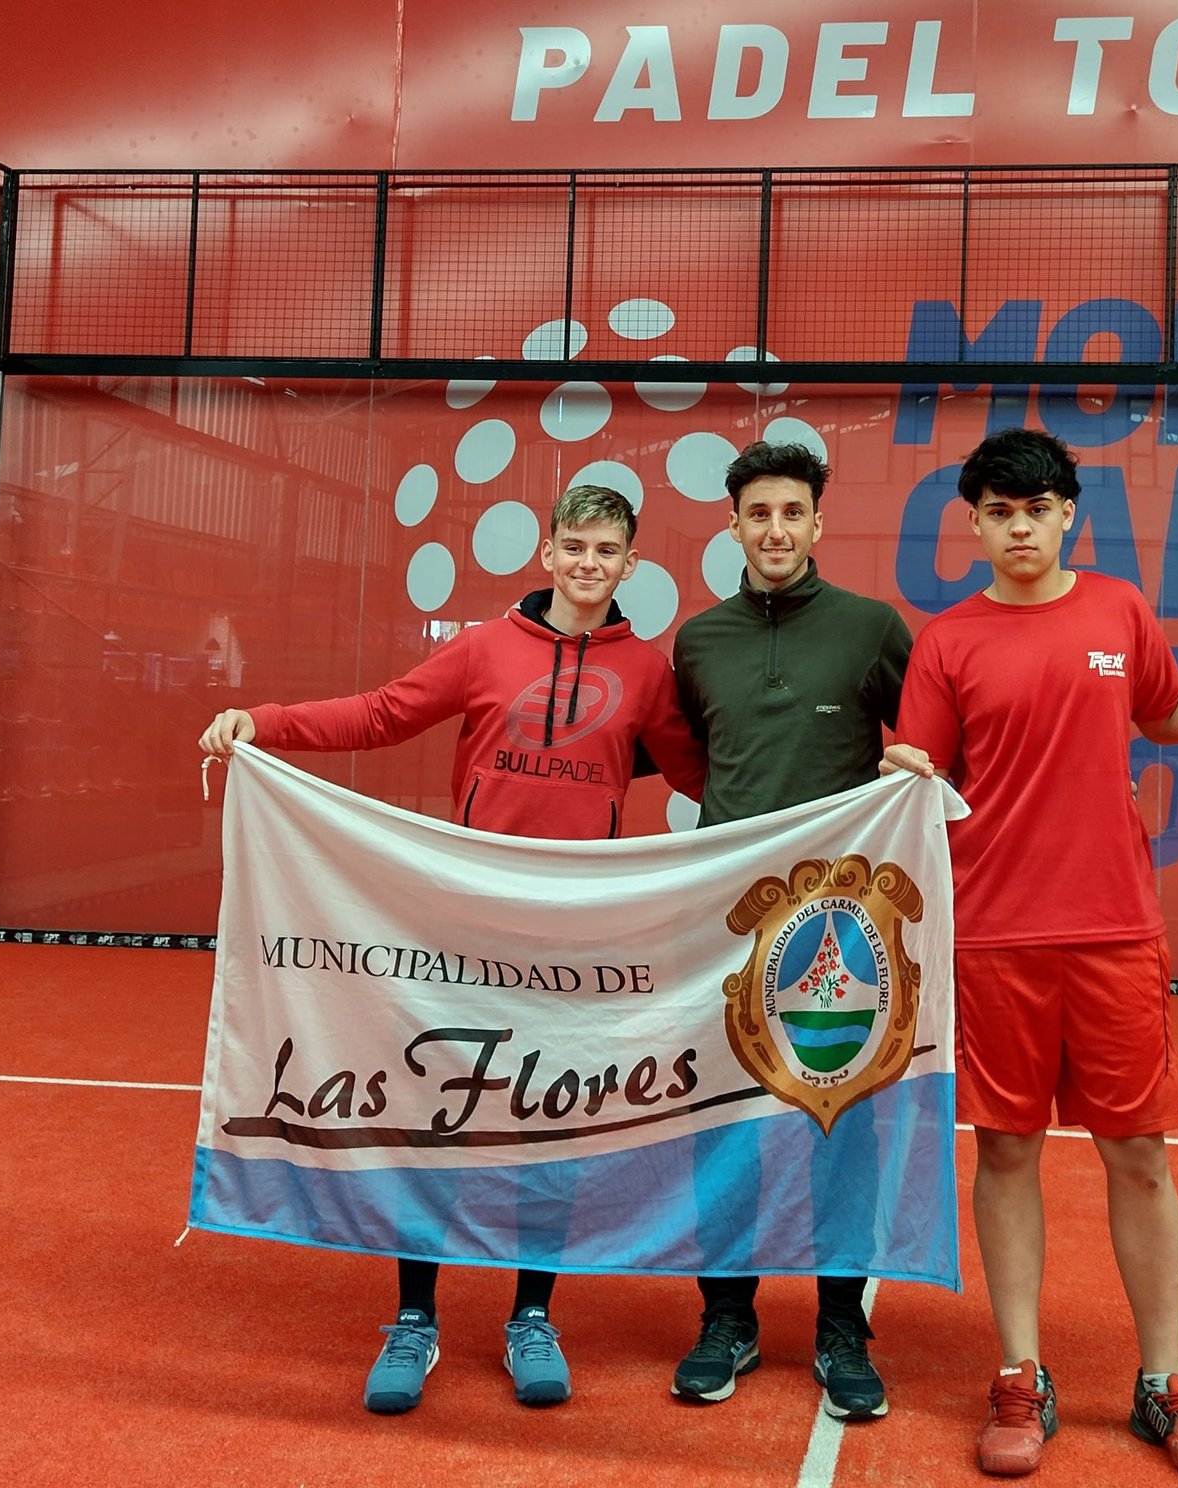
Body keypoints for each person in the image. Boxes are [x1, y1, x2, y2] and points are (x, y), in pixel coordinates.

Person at [883, 427, 1178, 1483]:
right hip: (994, 935)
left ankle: (1164, 1381)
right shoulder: (946, 640)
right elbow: (921, 771)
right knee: (1006, 1153)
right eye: (1000, 512)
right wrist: (901, 766)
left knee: (1138, 1154)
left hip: (1115, 930)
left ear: (1068, 517)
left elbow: (1166, 714)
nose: (1020, 528)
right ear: (975, 524)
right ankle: (1019, 1374)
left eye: (1037, 510)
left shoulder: (1119, 610)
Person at [198, 484, 704, 1416]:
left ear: (632, 564)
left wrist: (851, 791)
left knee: (553, 1120)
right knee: (436, 1111)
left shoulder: (646, 671)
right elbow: (379, 716)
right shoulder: (483, 646)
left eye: (607, 550)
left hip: (574, 935)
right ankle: (415, 1318)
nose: (589, 563)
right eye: (575, 545)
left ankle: (533, 1315)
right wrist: (264, 722)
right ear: (547, 553)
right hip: (463, 927)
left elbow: (704, 774)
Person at [669, 440, 913, 1421]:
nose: (775, 530)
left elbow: (931, 746)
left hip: (840, 936)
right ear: (733, 525)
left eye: (792, 513)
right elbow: (705, 759)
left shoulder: (872, 629)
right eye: (758, 514)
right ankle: (726, 1317)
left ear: (818, 523)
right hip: (725, 930)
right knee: (723, 1127)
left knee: (838, 1128)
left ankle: (841, 1327)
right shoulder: (698, 642)